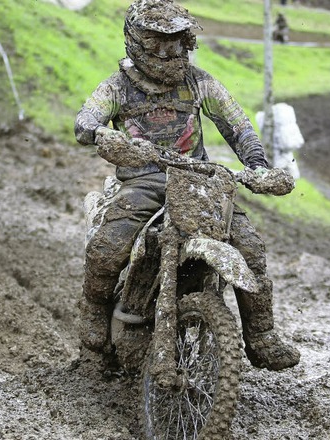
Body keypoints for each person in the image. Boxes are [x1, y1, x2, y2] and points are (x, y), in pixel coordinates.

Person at [74, 0, 299, 371]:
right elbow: (84, 122)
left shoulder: (199, 82)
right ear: (136, 42)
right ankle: (95, 311)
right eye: (159, 44)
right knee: (109, 245)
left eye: (177, 43)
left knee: (250, 248)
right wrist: (103, 135)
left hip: (198, 181)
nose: (168, 53)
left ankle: (261, 335)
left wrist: (256, 166)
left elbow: (237, 124)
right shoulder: (118, 87)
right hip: (144, 182)